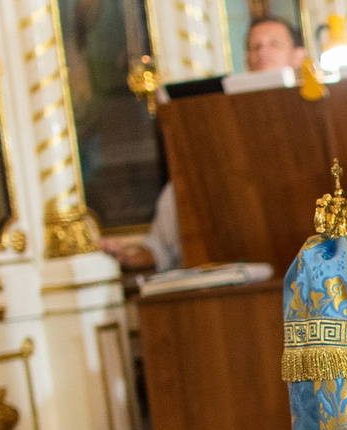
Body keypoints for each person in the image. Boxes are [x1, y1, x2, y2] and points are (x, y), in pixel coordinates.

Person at [102, 16, 307, 274]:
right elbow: (163, 244)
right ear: (246, 59)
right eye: (255, 46)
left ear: (299, 55)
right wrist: (128, 258)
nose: (262, 51)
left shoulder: (316, 123)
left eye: (274, 44)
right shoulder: (221, 141)